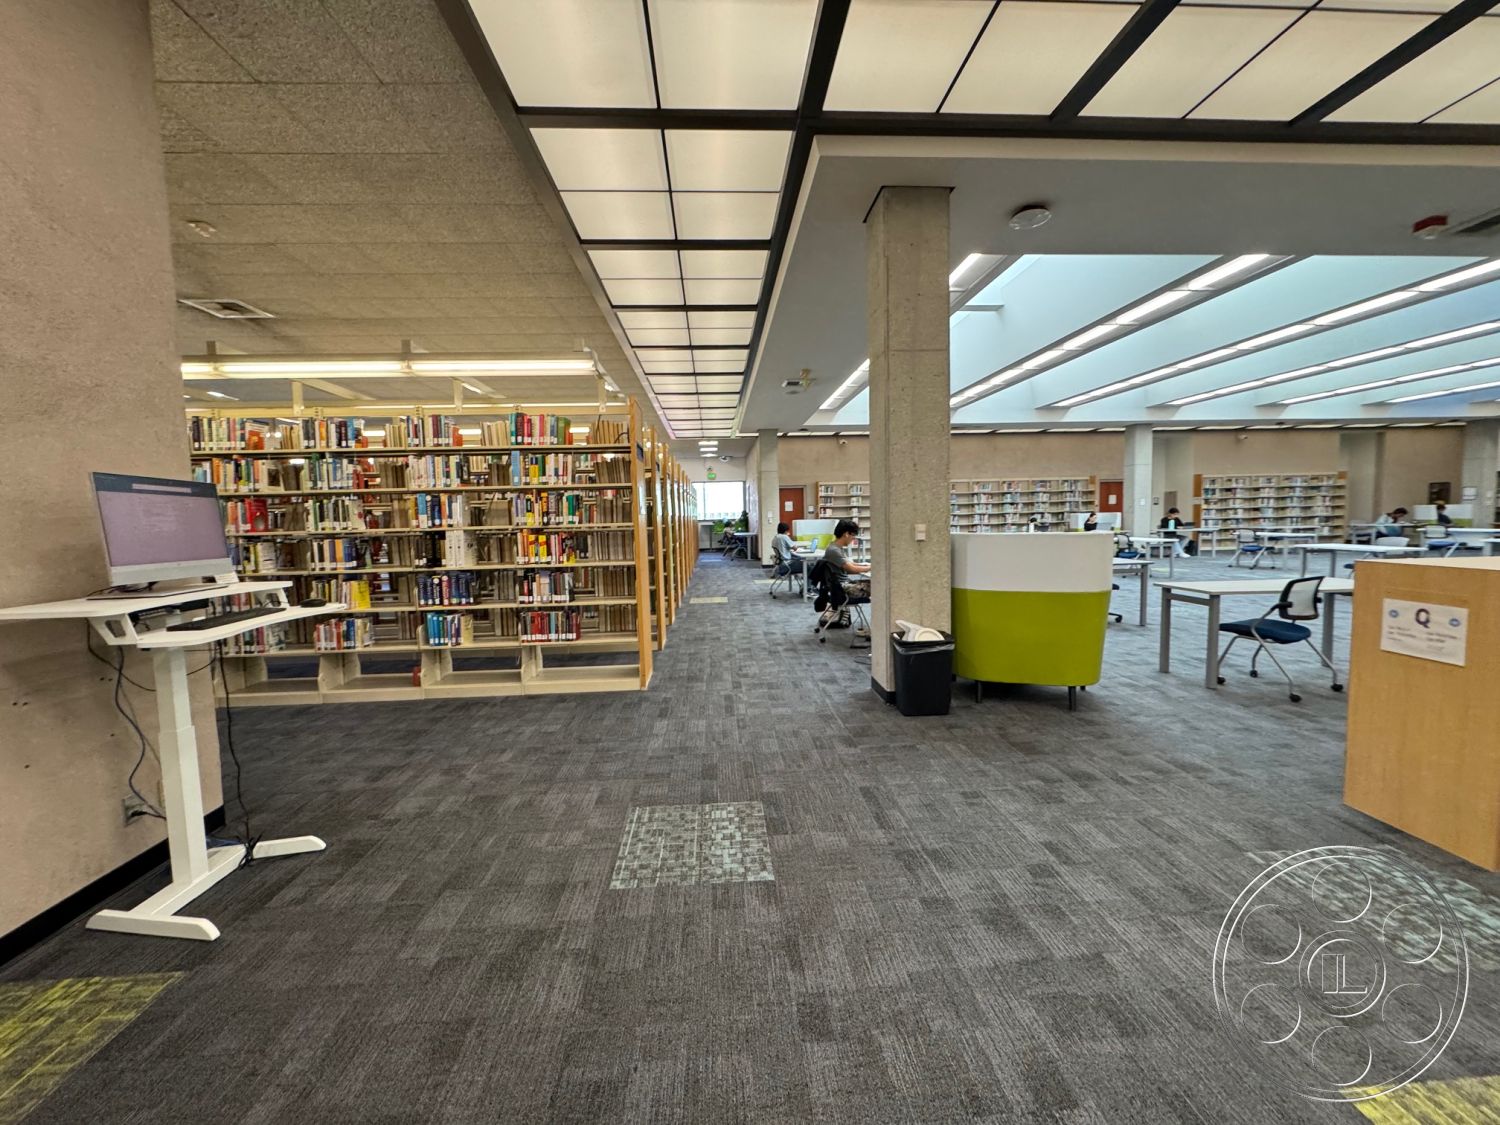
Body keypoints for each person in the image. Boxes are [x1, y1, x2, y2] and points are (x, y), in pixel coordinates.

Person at [820, 519, 870, 630]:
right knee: (878, 587)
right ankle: (879, 628)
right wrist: (871, 568)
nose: (853, 539)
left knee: (874, 583)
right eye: (853, 536)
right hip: (843, 589)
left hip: (840, 586)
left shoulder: (835, 547)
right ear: (846, 534)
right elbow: (850, 569)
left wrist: (864, 564)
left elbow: (849, 563)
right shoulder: (834, 550)